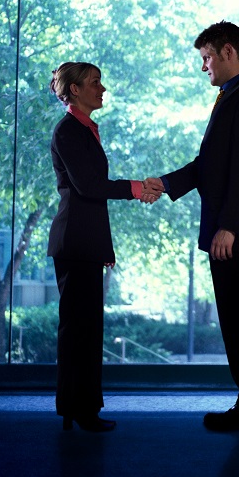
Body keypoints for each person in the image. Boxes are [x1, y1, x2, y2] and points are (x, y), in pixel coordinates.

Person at [145, 21, 239, 432]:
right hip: (235, 230)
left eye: (206, 57)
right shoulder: (231, 99)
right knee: (238, 322)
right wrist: (166, 184)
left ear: (227, 52)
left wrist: (230, 228)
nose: (203, 67)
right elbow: (211, 165)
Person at [48, 61, 161, 432]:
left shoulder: (84, 130)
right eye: (95, 83)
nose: (103, 88)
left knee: (87, 328)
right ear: (75, 90)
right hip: (74, 242)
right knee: (78, 330)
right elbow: (90, 188)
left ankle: (82, 409)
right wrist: (136, 188)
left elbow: (90, 196)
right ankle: (76, 409)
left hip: (84, 242)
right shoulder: (68, 131)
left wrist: (104, 246)